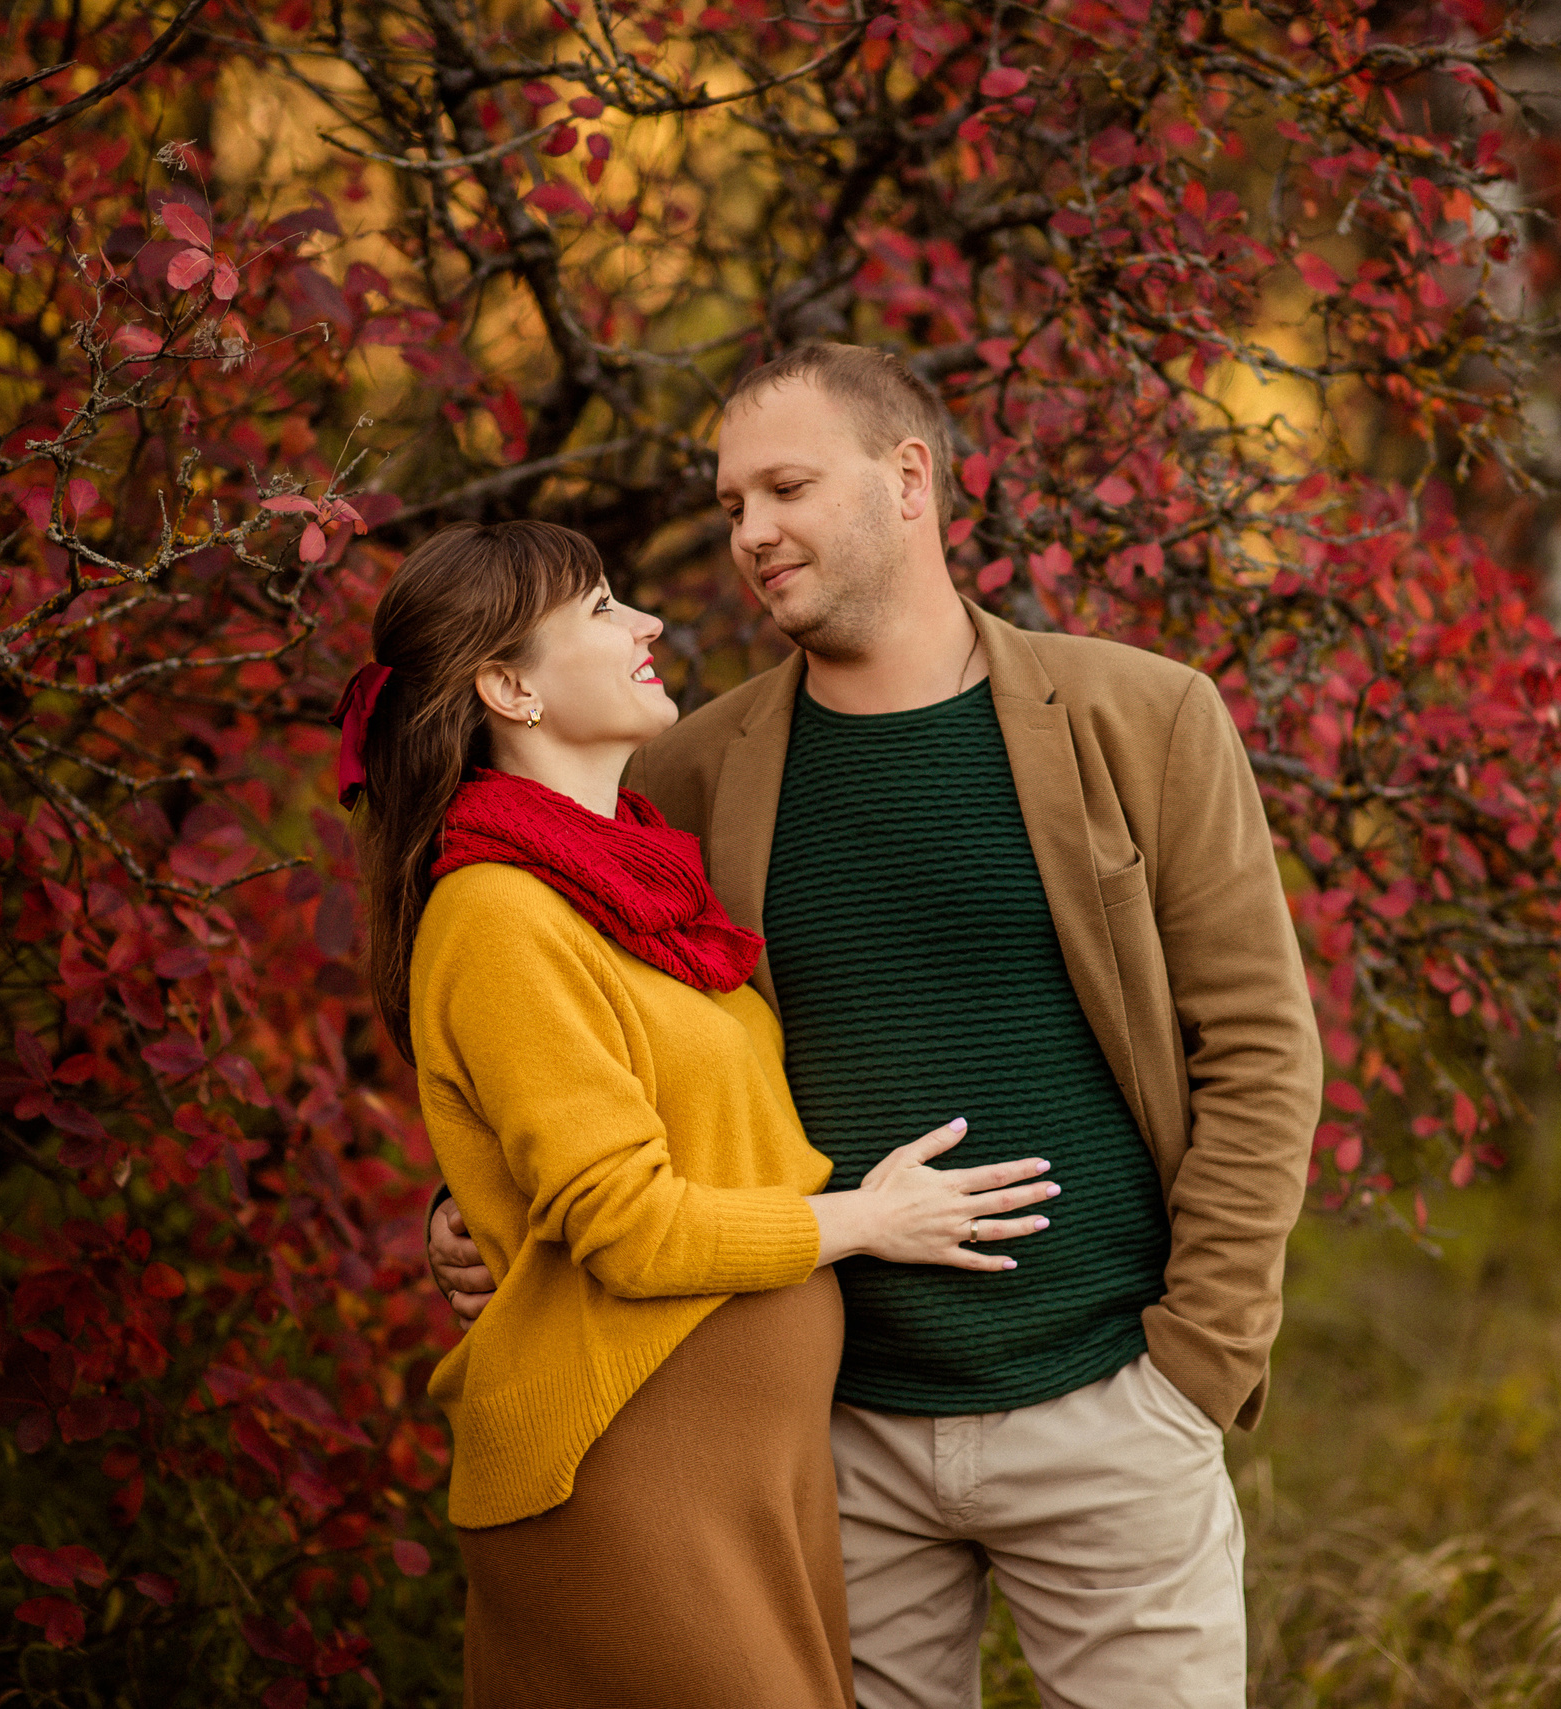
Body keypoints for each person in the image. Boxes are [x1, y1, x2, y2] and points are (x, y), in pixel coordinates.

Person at [433, 348, 1323, 1708]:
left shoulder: (1142, 718)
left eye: (786, 487)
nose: (749, 534)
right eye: (732, 504)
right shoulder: (680, 772)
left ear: (908, 480)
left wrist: (1195, 1359)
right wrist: (479, 1198)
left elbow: (1262, 1050)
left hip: (1108, 1400)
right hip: (826, 1438)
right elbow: (579, 1020)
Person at [343, 520, 1062, 1709]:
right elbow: (625, 1225)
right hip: (627, 1461)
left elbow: (601, 1133)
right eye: (602, 612)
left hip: (739, 1473)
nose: (649, 625)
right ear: (508, 685)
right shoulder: (498, 915)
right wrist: (864, 1221)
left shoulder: (631, 882)